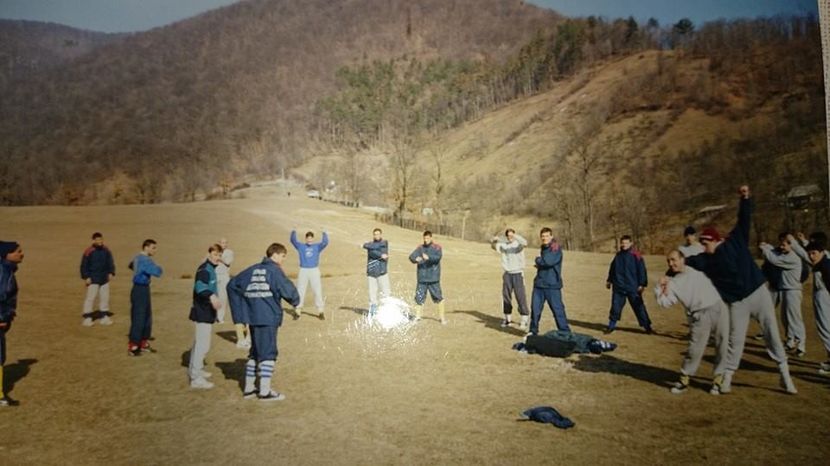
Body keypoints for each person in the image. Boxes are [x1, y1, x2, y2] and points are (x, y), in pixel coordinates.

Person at [684, 185, 796, 394]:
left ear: (716, 240)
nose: (702, 245)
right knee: (735, 339)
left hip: (758, 293)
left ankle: (784, 374)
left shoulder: (735, 241)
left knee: (771, 331)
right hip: (737, 303)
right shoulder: (704, 261)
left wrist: (745, 199)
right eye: (701, 242)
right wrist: (673, 265)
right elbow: (685, 262)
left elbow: (744, 219)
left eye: (705, 242)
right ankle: (727, 378)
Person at [227, 243, 300, 401]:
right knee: (268, 353)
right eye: (282, 256)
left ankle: (249, 388)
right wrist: (295, 301)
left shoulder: (252, 269)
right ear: (275, 255)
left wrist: (242, 309)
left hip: (253, 317)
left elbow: (232, 285)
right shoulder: (274, 270)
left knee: (255, 352)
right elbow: (287, 289)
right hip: (268, 317)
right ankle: (265, 391)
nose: (282, 260)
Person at [656, 250, 730, 395]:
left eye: (673, 260)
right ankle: (684, 379)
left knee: (722, 344)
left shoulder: (697, 269)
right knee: (695, 349)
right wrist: (660, 287)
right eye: (668, 261)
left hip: (718, 308)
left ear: (682, 259)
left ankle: (718, 380)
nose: (671, 263)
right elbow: (664, 303)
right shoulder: (673, 282)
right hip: (698, 315)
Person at [760, 233, 806, 357]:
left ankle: (801, 344)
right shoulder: (785, 253)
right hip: (785, 290)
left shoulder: (793, 257)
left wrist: (765, 249)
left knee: (795, 318)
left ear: (791, 245)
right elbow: (775, 251)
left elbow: (774, 259)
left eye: (784, 245)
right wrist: (768, 246)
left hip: (793, 291)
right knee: (785, 318)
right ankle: (790, 341)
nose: (781, 247)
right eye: (781, 244)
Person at [188, 244, 223, 389]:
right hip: (202, 312)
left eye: (220, 255)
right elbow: (200, 287)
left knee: (200, 343)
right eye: (215, 255)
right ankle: (196, 379)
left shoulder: (210, 269)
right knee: (203, 345)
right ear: (209, 254)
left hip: (206, 313)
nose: (218, 258)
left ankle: (196, 370)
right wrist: (212, 297)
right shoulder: (205, 270)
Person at [605, 235, 653, 334]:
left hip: (633, 287)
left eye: (626, 243)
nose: (624, 245)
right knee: (615, 307)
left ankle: (647, 327)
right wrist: (609, 280)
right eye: (622, 243)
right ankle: (611, 326)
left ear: (631, 243)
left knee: (639, 307)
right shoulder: (618, 256)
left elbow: (642, 270)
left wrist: (642, 284)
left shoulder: (636, 255)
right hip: (619, 287)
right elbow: (612, 269)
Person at [796, 240, 830, 375]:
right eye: (809, 254)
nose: (811, 256)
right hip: (821, 297)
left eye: (814, 253)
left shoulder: (826, 266)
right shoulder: (820, 264)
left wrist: (793, 242)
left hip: (825, 298)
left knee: (826, 330)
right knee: (824, 330)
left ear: (822, 252)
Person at [528, 228, 570, 335]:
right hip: (539, 284)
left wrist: (538, 260)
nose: (544, 238)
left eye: (547, 236)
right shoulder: (544, 247)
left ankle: (565, 332)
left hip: (552, 285)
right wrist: (540, 264)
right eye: (543, 236)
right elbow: (545, 263)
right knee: (535, 309)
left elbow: (548, 261)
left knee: (557, 310)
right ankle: (533, 331)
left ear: (551, 236)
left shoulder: (555, 246)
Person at [128, 239, 163, 356]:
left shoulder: (137, 257)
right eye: (153, 248)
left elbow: (130, 265)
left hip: (141, 288)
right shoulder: (145, 260)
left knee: (146, 315)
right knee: (140, 316)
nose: (155, 250)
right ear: (146, 247)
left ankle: (143, 342)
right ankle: (134, 345)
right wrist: (158, 267)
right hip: (140, 289)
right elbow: (157, 272)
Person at [490, 228, 530, 329]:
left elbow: (525, 242)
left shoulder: (519, 244)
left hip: (518, 273)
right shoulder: (504, 245)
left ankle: (524, 319)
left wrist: (514, 236)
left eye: (511, 235)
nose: (510, 237)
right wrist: (495, 240)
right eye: (508, 235)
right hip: (507, 274)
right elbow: (494, 247)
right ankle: (507, 319)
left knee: (520, 296)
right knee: (506, 297)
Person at [0, 241, 23, 407]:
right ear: (6, 255)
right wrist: (1, 317)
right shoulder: (3, 272)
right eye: (18, 251)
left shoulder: (7, 269)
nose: (21, 254)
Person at [290, 228, 329, 319]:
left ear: (313, 239)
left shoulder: (316, 247)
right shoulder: (301, 246)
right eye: (308, 238)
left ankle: (320, 311)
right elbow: (293, 241)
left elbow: (325, 243)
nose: (309, 240)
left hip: (314, 270)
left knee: (317, 290)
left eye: (311, 238)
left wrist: (324, 233)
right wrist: (293, 231)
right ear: (305, 239)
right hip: (303, 269)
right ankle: (298, 311)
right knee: (300, 290)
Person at [408, 231, 446, 324]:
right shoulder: (420, 248)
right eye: (424, 238)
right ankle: (418, 316)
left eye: (428, 238)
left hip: (433, 278)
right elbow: (411, 256)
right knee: (419, 297)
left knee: (438, 297)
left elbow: (438, 257)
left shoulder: (437, 247)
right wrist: (415, 259)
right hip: (422, 277)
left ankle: (442, 318)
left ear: (431, 238)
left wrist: (428, 257)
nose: (426, 240)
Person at [80, 232, 116, 326]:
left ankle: (104, 316)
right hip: (93, 279)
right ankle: (87, 317)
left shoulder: (106, 250)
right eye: (97, 240)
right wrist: (86, 277)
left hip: (104, 278)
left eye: (101, 239)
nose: (100, 241)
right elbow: (84, 265)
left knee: (105, 297)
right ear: (93, 241)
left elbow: (110, 262)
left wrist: (111, 272)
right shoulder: (89, 251)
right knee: (90, 298)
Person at [363, 228, 391, 318]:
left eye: (378, 234)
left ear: (381, 235)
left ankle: (387, 311)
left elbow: (371, 250)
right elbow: (370, 251)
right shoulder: (370, 245)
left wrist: (368, 247)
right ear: (373, 235)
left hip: (382, 272)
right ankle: (373, 312)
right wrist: (380, 255)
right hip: (372, 272)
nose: (376, 236)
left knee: (386, 292)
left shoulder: (384, 243)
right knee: (372, 293)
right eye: (375, 234)